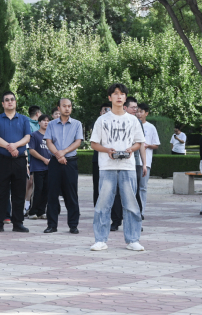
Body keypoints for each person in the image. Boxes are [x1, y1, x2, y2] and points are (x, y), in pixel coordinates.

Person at [90, 83, 146, 252]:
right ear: (110, 97)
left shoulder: (133, 120)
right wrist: (107, 150)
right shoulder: (102, 120)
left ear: (125, 97)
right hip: (107, 166)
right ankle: (100, 239)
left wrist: (131, 150)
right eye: (115, 93)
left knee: (131, 204)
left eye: (122, 94)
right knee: (103, 204)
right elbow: (94, 143)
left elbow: (139, 142)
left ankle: (133, 239)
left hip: (128, 166)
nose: (119, 96)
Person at [0, 91, 32, 233]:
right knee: (1, 193)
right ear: (3, 104)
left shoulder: (24, 119)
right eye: (7, 100)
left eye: (12, 99)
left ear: (15, 102)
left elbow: (27, 137)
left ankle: (18, 223)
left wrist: (15, 146)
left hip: (19, 161)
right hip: (2, 161)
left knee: (19, 193)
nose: (9, 102)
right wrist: (10, 147)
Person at [45, 98, 84, 234]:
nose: (67, 108)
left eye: (69, 106)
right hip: (55, 162)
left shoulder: (77, 124)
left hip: (70, 162)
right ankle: (52, 225)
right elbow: (49, 141)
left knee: (71, 194)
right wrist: (58, 155)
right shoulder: (51, 124)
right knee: (52, 194)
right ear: (59, 108)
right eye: (64, 106)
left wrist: (64, 152)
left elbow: (78, 142)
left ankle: (73, 225)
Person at [90, 103, 123, 231]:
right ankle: (100, 217)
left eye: (109, 110)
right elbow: (94, 142)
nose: (107, 112)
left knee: (116, 191)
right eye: (104, 110)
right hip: (98, 161)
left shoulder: (119, 123)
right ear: (100, 113)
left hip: (116, 161)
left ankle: (116, 219)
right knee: (98, 190)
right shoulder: (98, 123)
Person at [135, 103, 159, 219]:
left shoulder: (151, 127)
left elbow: (156, 144)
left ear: (146, 113)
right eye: (137, 111)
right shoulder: (132, 124)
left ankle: (142, 211)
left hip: (146, 162)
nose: (139, 114)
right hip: (133, 162)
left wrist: (148, 146)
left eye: (141, 112)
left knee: (143, 187)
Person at [28, 115, 51, 221]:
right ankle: (32, 211)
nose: (46, 122)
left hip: (49, 168)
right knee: (38, 189)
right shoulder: (34, 135)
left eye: (48, 121)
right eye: (44, 121)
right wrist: (44, 159)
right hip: (38, 167)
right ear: (39, 122)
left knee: (46, 189)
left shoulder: (50, 136)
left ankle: (42, 211)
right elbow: (31, 150)